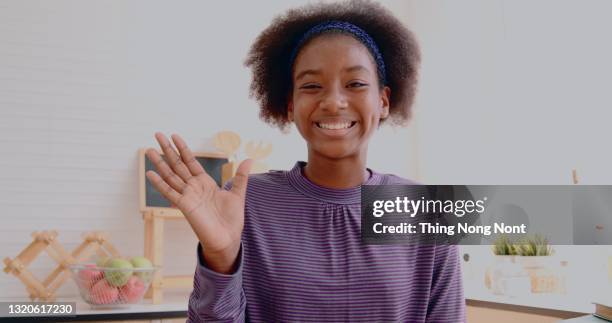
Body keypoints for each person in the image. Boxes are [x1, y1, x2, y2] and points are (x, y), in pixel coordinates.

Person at [145, 0, 465, 321]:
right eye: (311, 86)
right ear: (289, 106)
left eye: (355, 84)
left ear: (382, 101)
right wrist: (220, 259)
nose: (333, 102)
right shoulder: (248, 203)